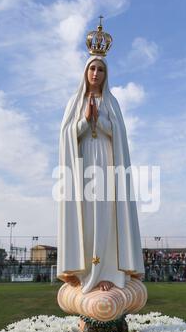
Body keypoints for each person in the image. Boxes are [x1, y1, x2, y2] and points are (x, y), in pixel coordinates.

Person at [56, 52, 144, 294]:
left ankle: (107, 273)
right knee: (86, 217)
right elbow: (66, 136)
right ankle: (84, 273)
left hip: (106, 165)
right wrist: (85, 121)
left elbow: (120, 136)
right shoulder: (75, 102)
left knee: (106, 217)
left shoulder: (111, 102)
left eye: (101, 69)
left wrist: (101, 122)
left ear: (106, 74)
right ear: (85, 72)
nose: (96, 73)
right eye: (92, 68)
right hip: (83, 167)